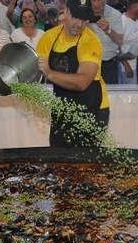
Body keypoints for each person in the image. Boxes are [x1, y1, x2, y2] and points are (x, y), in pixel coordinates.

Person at [36, 0, 110, 147]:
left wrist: (50, 73)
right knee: (59, 157)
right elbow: (37, 70)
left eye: (84, 19)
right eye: (76, 17)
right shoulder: (48, 37)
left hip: (91, 110)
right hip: (62, 108)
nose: (79, 24)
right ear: (66, 12)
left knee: (86, 162)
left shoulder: (90, 41)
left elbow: (82, 82)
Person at [89, 0, 124, 84]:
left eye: (100, 5)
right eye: (94, 3)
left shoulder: (115, 15)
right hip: (87, 63)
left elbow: (120, 41)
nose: (97, 6)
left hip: (108, 65)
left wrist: (108, 30)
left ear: (105, 2)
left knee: (109, 95)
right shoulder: (80, 13)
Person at [118, 0, 138, 84]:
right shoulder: (121, 22)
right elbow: (116, 45)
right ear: (133, 7)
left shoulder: (136, 21)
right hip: (127, 68)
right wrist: (126, 65)